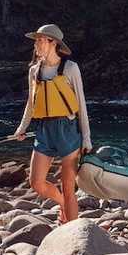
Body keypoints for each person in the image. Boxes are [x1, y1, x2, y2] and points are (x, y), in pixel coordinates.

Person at [9, 24, 91, 223]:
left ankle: (73, 234)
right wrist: (22, 128)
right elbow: (31, 103)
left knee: (69, 187)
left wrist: (86, 138)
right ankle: (61, 203)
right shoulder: (34, 71)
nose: (36, 44)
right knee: (36, 182)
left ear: (53, 42)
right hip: (44, 130)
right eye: (36, 40)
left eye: (40, 39)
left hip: (68, 130)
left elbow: (81, 104)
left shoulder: (70, 68)